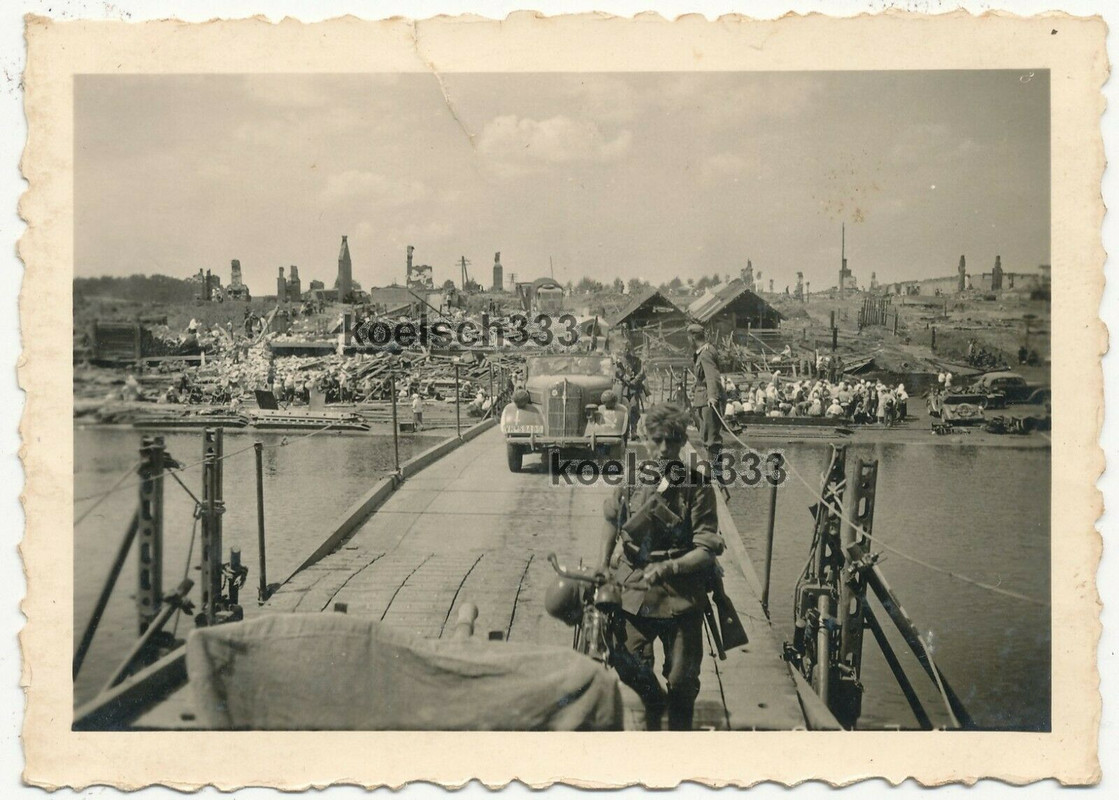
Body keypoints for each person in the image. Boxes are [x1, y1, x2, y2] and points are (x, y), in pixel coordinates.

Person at [597, 404, 725, 731]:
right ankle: (655, 703)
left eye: (672, 440)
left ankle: (677, 739)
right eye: (657, 440)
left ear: (682, 442)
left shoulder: (697, 485)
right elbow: (612, 519)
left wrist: (670, 567)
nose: (664, 448)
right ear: (645, 440)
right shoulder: (631, 479)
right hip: (635, 583)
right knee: (626, 662)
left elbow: (706, 548)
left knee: (683, 680)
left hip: (682, 590)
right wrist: (602, 566)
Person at [687, 323, 724, 479]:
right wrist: (695, 386)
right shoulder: (702, 352)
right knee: (706, 436)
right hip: (702, 398)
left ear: (693, 337)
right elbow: (703, 377)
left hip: (707, 400)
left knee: (711, 439)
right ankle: (712, 474)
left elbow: (712, 376)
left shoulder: (706, 353)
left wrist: (712, 397)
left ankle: (716, 475)